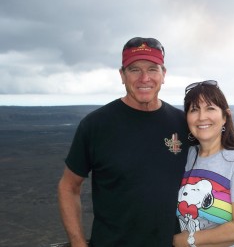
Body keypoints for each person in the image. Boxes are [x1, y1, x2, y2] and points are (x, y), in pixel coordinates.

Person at [57, 37, 191, 247]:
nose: (144, 78)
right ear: (122, 75)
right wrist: (77, 243)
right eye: (134, 69)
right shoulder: (96, 125)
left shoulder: (184, 123)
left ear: (164, 74)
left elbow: (215, 174)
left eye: (152, 69)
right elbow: (68, 186)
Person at [173, 80, 234, 247]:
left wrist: (185, 241)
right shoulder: (185, 157)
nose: (202, 117)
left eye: (210, 108)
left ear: (225, 116)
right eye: (194, 109)